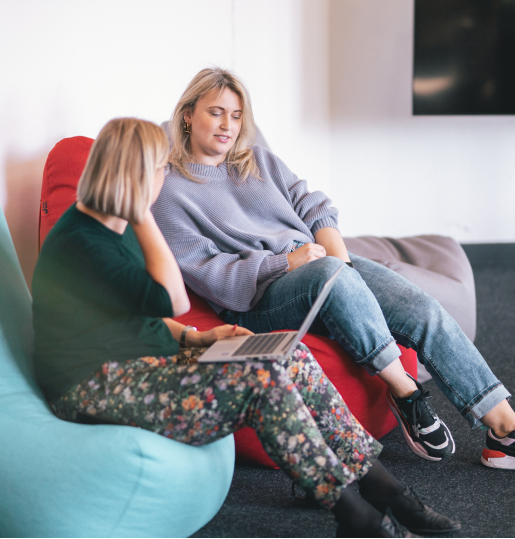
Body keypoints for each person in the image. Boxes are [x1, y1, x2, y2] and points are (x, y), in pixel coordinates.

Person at [32, 117, 460, 539]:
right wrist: (144, 215)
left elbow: (139, 312)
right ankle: (356, 516)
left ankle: (384, 488)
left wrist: (200, 338)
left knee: (289, 354)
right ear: (138, 175)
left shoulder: (110, 224)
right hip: (94, 383)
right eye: (161, 169)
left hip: (142, 358)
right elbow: (174, 300)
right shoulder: (83, 240)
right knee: (261, 382)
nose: (165, 179)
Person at [152, 67, 515, 469]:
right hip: (258, 294)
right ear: (187, 114)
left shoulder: (256, 159)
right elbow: (209, 272)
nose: (228, 126)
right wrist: (286, 262)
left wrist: (341, 260)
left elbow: (314, 205)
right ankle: (405, 392)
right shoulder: (168, 187)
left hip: (319, 262)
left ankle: (503, 426)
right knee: (330, 276)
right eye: (216, 112)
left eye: (236, 116)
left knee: (419, 306)